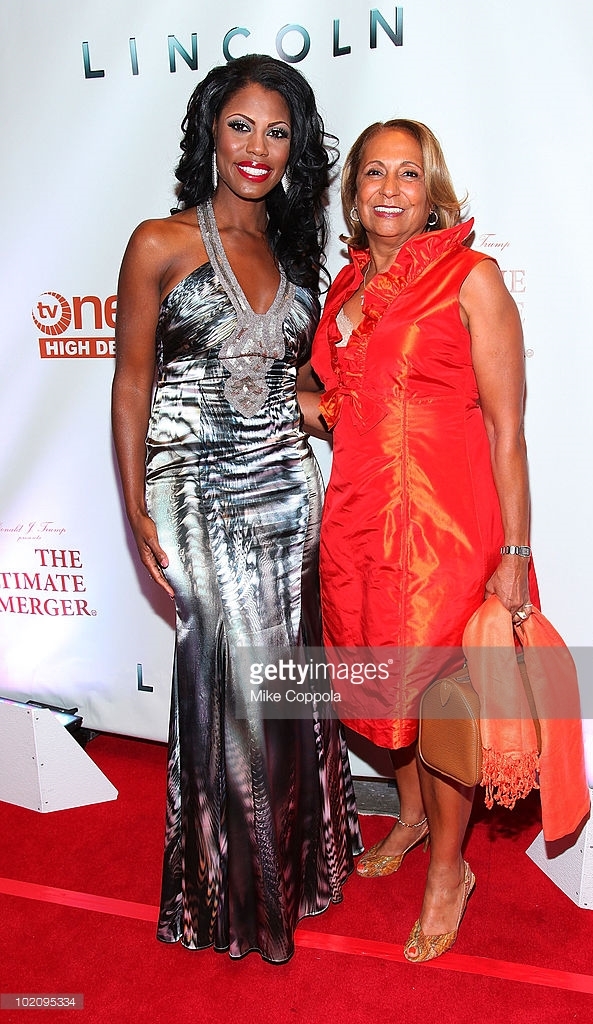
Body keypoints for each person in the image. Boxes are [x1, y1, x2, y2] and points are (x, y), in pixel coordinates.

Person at [111, 54, 362, 964]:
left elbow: (287, 383)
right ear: (210, 134)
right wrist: (134, 503)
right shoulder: (159, 241)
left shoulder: (296, 257)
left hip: (288, 487)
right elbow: (132, 381)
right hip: (192, 488)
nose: (257, 147)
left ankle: (295, 867)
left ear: (297, 148)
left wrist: (357, 408)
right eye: (241, 126)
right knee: (233, 690)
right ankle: (235, 894)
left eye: (277, 131)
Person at [308, 119, 539, 962]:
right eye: (373, 172)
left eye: (409, 173)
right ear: (352, 192)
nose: (390, 189)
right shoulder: (344, 287)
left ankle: (449, 871)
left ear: (432, 189)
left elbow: (507, 431)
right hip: (357, 522)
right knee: (382, 688)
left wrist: (514, 553)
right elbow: (340, 402)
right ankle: (408, 817)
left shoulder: (470, 278)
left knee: (442, 706)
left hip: (446, 527)